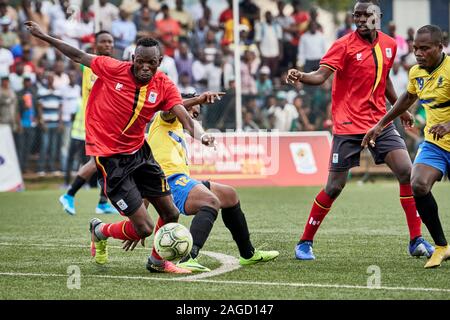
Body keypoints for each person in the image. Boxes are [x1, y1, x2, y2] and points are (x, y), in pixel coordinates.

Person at [24, 21, 216, 274]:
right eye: (141, 61)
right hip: (111, 159)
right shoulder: (112, 68)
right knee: (144, 229)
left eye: (152, 63)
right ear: (133, 58)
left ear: (160, 62)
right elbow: (78, 54)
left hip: (140, 153)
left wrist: (200, 136)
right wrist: (44, 36)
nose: (146, 67)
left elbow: (184, 116)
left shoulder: (164, 85)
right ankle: (99, 230)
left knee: (170, 213)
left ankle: (157, 262)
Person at [286, 0, 434, 261]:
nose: (361, 19)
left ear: (378, 16)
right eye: (357, 15)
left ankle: (416, 239)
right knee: (334, 187)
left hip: (380, 123)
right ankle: (305, 242)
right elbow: (320, 76)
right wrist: (301, 76)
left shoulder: (389, 44)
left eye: (366, 14)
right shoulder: (343, 45)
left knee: (406, 172)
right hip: (347, 125)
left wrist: (403, 110)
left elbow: (384, 77)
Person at [142, 93, 279, 272]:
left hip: (182, 180)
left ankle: (248, 254)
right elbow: (171, 109)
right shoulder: (164, 119)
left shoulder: (179, 130)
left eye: (196, 114)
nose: (192, 116)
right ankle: (188, 257)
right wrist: (198, 100)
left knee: (229, 195)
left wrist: (204, 137)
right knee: (211, 202)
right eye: (190, 111)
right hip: (168, 181)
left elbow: (195, 127)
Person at [363, 25, 450, 268]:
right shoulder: (416, 73)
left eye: (425, 48)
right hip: (435, 144)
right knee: (418, 184)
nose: (419, 53)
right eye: (415, 49)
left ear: (439, 47)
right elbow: (408, 98)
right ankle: (442, 247)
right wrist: (380, 124)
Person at [59, 31, 118, 215]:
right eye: (103, 41)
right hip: (95, 123)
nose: (108, 44)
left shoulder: (114, 66)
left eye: (110, 41)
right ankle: (69, 194)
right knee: (97, 162)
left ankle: (102, 202)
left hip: (108, 124)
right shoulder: (90, 67)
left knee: (110, 162)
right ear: (95, 46)